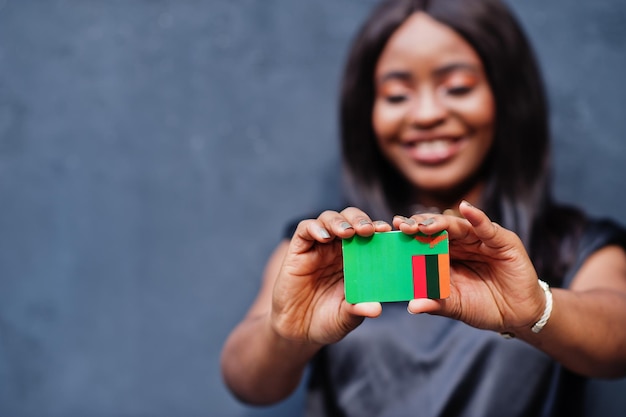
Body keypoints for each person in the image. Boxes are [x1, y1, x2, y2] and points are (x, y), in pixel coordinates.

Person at [221, 0, 626, 416]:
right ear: (369, 113)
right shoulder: (325, 252)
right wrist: (287, 336)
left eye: (458, 88)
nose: (428, 114)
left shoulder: (574, 246)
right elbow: (246, 379)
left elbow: (619, 340)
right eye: (398, 95)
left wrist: (536, 311)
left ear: (505, 97)